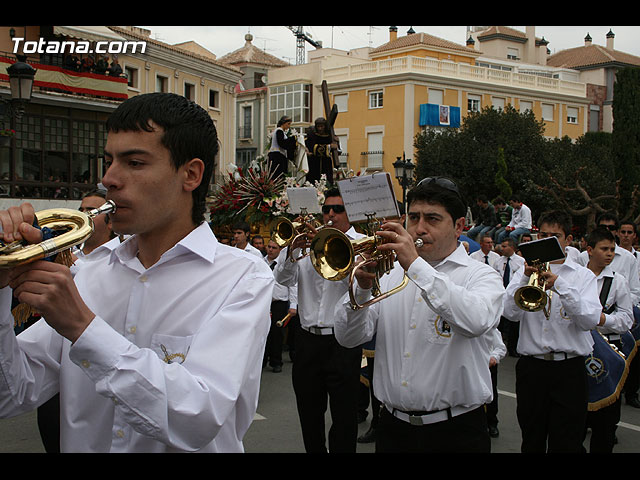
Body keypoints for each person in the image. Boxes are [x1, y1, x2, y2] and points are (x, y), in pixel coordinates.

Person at [0, 92, 274, 452]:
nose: (108, 179)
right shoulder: (89, 272)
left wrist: (83, 327)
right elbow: (11, 393)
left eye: (134, 162)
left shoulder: (243, 276)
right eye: (109, 160)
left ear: (190, 174)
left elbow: (198, 416)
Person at [334, 177, 505, 453]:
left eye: (433, 219)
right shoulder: (389, 275)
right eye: (413, 217)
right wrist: (362, 288)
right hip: (392, 429)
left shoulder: (481, 275)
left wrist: (414, 264)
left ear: (459, 226)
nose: (419, 228)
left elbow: (476, 320)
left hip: (457, 433)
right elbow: (347, 337)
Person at [273, 187, 365, 453]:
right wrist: (292, 254)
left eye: (338, 209)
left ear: (350, 214)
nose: (331, 215)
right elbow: (282, 280)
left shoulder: (360, 243)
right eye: (326, 209)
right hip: (307, 341)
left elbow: (362, 290)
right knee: (309, 414)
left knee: (344, 417)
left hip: (342, 342)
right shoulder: (305, 242)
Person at [503, 209, 601, 453]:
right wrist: (523, 279)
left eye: (555, 236)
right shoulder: (523, 271)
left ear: (568, 240)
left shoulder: (583, 276)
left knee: (567, 442)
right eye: (543, 235)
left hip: (569, 370)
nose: (547, 240)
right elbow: (508, 313)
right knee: (531, 439)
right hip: (532, 368)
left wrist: (560, 285)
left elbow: (589, 321)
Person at [583, 227, 634, 453]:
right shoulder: (575, 277)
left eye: (612, 249)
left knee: (605, 424)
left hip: (608, 348)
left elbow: (627, 320)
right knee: (575, 420)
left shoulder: (618, 281)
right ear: (590, 250)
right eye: (604, 249)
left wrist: (602, 319)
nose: (609, 254)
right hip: (580, 349)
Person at [263, 240, 297, 373]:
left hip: (280, 302)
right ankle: (262, 360)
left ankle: (276, 362)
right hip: (265, 303)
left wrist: (293, 304)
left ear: (280, 250)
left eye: (274, 248)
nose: (270, 250)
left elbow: (293, 284)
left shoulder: (284, 264)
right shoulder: (261, 261)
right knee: (263, 332)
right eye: (269, 247)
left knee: (277, 334)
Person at [494, 237, 525, 357]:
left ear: (512, 247)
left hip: (513, 292)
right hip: (501, 292)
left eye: (505, 246)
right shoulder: (498, 261)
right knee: (500, 323)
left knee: (513, 325)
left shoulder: (521, 261)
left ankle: (513, 348)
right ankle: (498, 346)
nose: (502, 248)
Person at [486, 326, 507, 438]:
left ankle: (492, 423)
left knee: (491, 394)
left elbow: (500, 348)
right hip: (472, 366)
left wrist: (494, 357)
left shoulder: (491, 328)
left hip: (488, 366)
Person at [305, 117, 338, 185]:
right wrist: (329, 146)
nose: (320, 128)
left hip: (326, 164)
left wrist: (337, 143)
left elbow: (337, 151)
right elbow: (312, 148)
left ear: (325, 126)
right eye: (318, 126)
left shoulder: (330, 136)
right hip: (314, 163)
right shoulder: (312, 136)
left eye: (322, 126)